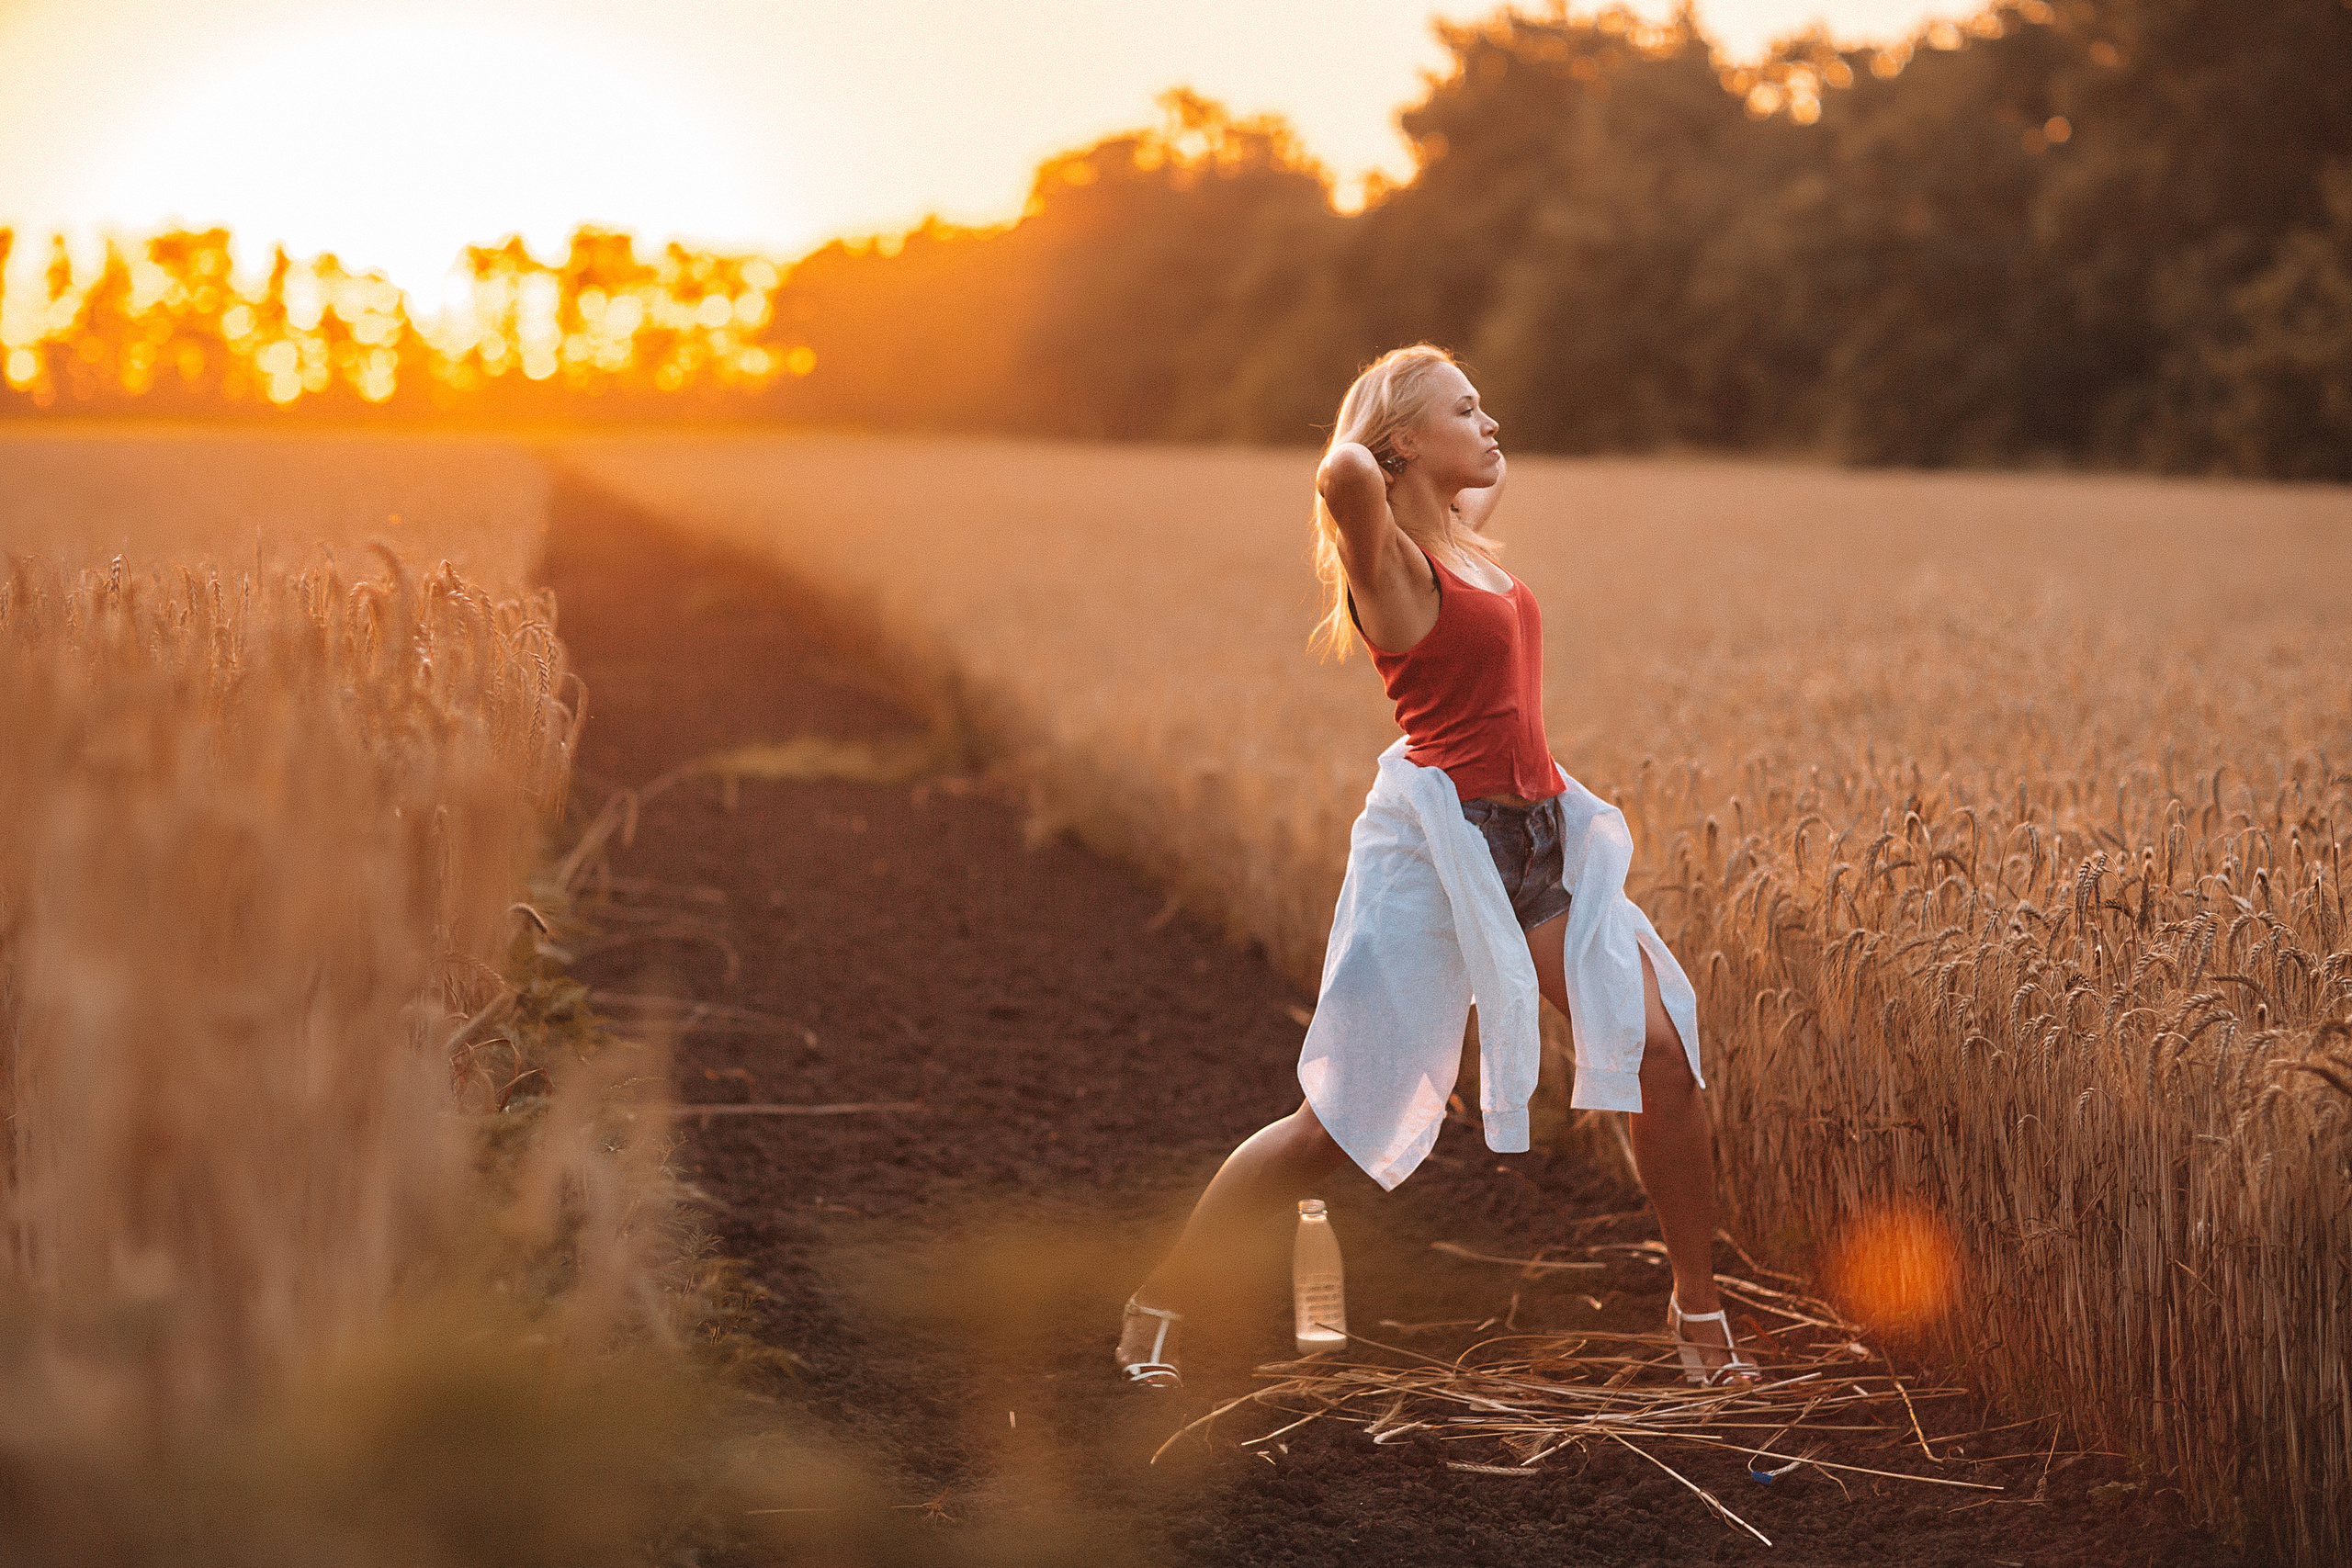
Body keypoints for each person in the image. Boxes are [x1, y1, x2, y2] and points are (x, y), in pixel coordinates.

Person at [1114, 344, 1755, 1393]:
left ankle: (1698, 1316)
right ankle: (1159, 1301)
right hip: (1434, 858)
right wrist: (1373, 442)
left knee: (1663, 1058)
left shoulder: (1459, 543)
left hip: (1536, 842)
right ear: (1403, 441)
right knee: (1330, 1129)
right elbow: (1342, 477)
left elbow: (1471, 468)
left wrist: (1457, 451)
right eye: (1466, 407)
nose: (1491, 420)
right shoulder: (1390, 567)